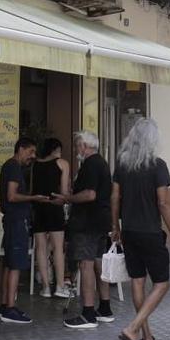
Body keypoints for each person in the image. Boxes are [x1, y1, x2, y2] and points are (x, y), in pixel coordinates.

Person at [112, 119, 170, 340]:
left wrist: (116, 227)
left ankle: (146, 336)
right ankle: (133, 329)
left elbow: (115, 198)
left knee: (138, 281)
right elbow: (163, 203)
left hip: (129, 231)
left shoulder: (122, 164)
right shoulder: (157, 165)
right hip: (150, 232)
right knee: (162, 283)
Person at [56, 130, 114, 329]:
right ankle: (105, 308)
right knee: (98, 264)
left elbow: (89, 194)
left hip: (87, 222)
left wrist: (68, 198)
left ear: (84, 146)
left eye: (77, 146)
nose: (75, 150)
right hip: (100, 222)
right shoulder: (102, 163)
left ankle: (88, 313)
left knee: (86, 265)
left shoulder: (90, 164)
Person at [0, 137, 47, 324]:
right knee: (16, 264)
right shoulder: (14, 167)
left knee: (10, 263)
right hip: (16, 221)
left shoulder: (9, 166)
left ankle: (4, 305)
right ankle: (10, 307)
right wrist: (33, 197)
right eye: (30, 151)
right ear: (20, 149)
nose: (32, 156)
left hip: (12, 220)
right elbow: (11, 195)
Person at [31, 137, 72, 299]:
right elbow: (63, 190)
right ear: (56, 150)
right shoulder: (62, 164)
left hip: (38, 207)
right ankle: (60, 286)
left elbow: (32, 189)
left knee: (40, 248)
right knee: (58, 248)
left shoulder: (36, 164)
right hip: (55, 207)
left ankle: (46, 287)